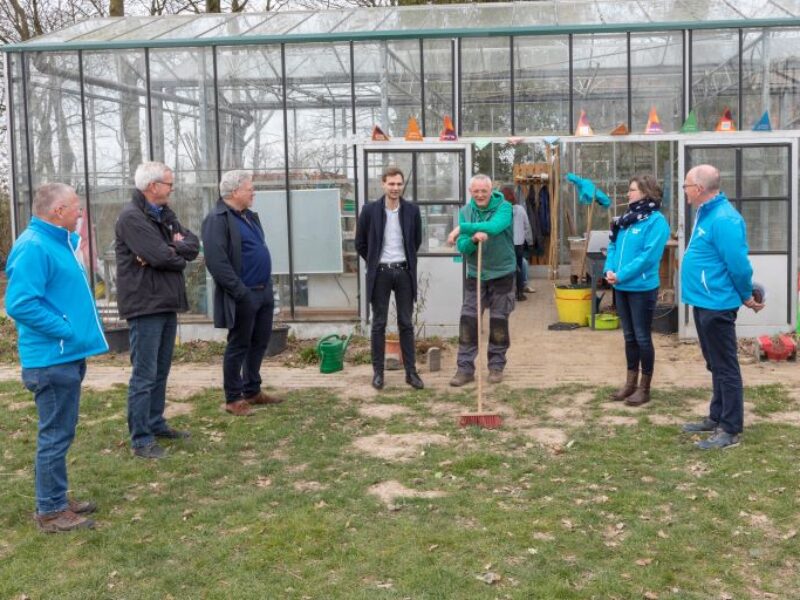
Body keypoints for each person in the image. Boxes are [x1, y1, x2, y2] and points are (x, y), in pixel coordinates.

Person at [5, 183, 109, 532]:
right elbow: (20, 304)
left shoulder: (58, 242)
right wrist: (65, 328)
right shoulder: (34, 247)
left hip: (65, 356)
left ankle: (57, 498)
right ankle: (50, 511)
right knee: (55, 435)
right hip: (50, 359)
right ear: (57, 211)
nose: (80, 214)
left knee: (61, 432)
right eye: (75, 208)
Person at [115, 162, 200, 458]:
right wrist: (172, 252)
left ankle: (155, 422)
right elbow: (164, 257)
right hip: (145, 304)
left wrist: (172, 250)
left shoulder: (164, 214)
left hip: (165, 301)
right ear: (152, 187)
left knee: (161, 370)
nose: (171, 189)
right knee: (144, 373)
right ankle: (141, 439)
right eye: (168, 184)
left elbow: (193, 245)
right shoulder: (131, 218)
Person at [680, 164, 764, 450]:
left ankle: (730, 429)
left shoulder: (725, 219)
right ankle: (716, 417)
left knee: (726, 366)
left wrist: (745, 294)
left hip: (717, 303)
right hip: (703, 300)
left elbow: (738, 265)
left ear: (700, 189)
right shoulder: (707, 214)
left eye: (686, 185)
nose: (685, 191)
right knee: (714, 363)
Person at [202, 170, 284, 416]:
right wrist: (241, 292)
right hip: (244, 294)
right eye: (250, 188)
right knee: (238, 345)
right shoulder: (217, 219)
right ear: (235, 191)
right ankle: (233, 398)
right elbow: (217, 263)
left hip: (263, 290)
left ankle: (252, 389)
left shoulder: (247, 216)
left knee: (259, 342)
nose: (253, 192)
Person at [355, 166, 424, 391]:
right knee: (379, 323)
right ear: (383, 184)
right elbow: (360, 243)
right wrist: (375, 260)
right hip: (381, 274)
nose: (395, 188)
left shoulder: (412, 211)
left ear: (402, 185)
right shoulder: (369, 211)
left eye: (399, 184)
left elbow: (416, 241)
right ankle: (378, 373)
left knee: (406, 323)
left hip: (404, 272)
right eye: (391, 184)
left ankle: (411, 373)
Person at [604, 174, 670, 407]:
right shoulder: (626, 219)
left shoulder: (656, 222)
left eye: (632, 190)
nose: (628, 194)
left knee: (642, 337)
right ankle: (629, 383)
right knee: (629, 336)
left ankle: (645, 387)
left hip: (641, 288)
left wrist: (622, 274)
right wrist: (609, 269)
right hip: (620, 286)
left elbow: (648, 257)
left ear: (645, 193)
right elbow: (612, 245)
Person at [447, 174, 516, 386]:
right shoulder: (467, 211)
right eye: (475, 191)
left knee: (498, 322)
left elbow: (495, 227)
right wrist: (473, 240)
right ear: (470, 192)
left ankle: (496, 367)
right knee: (468, 321)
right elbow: (463, 248)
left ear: (490, 190)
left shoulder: (504, 207)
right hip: (476, 274)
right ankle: (465, 368)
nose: (479, 195)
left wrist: (462, 229)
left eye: (483, 191)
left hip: (502, 273)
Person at [509, 191, 533, 301]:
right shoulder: (520, 209)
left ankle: (509, 293)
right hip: (518, 244)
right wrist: (530, 241)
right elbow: (527, 226)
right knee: (518, 267)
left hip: (507, 244)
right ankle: (519, 293)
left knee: (508, 268)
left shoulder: (502, 210)